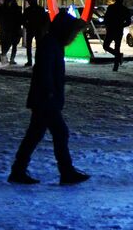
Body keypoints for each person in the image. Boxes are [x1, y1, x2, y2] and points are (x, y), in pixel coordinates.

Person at [9, 10, 91, 185]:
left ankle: (19, 170)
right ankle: (66, 172)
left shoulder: (52, 43)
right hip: (46, 100)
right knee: (59, 133)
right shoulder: (50, 44)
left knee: (35, 135)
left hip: (45, 98)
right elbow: (45, 72)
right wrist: (50, 93)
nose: (74, 37)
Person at [102, 0, 133, 72]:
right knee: (115, 48)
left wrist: (109, 25)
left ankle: (116, 64)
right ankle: (118, 57)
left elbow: (106, 18)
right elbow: (128, 22)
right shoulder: (123, 9)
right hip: (116, 30)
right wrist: (121, 25)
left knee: (107, 46)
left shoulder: (112, 8)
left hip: (112, 30)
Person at [0, 0, 22, 65]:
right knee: (10, 44)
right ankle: (7, 57)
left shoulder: (5, 9)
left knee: (8, 44)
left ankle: (5, 57)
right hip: (10, 29)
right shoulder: (9, 9)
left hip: (10, 29)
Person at [21, 0, 47, 68]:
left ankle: (30, 61)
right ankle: (37, 61)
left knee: (30, 46)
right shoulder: (40, 9)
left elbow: (23, 20)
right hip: (37, 29)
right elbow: (45, 20)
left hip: (32, 29)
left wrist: (27, 26)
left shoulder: (28, 10)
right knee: (38, 47)